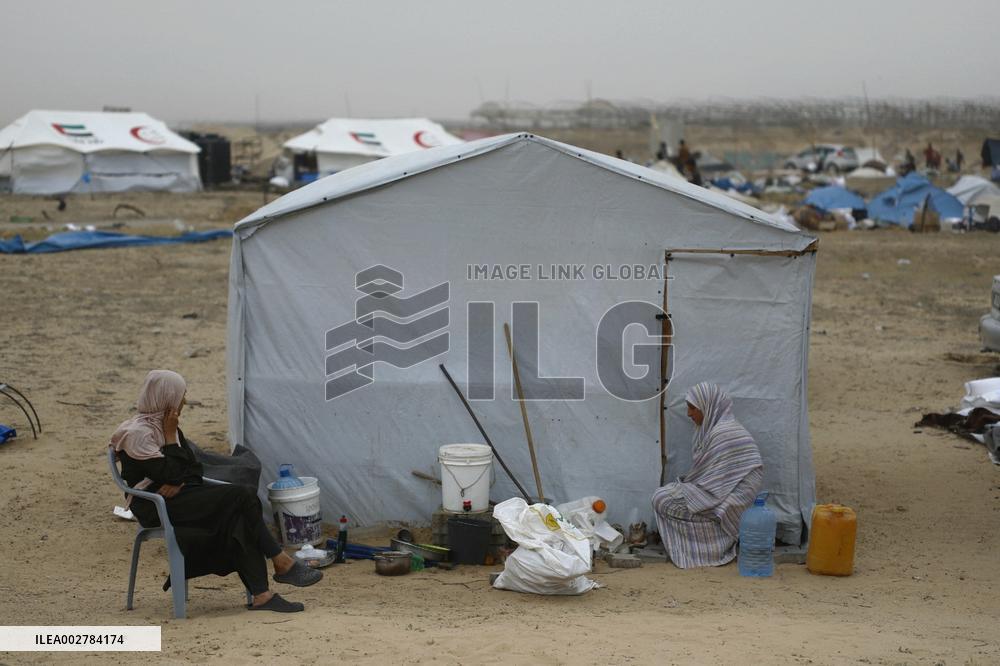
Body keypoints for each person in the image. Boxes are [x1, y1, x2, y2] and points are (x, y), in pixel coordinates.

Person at [110, 370, 320, 613]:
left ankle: (263, 595)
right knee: (242, 495)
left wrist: (178, 479)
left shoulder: (167, 428)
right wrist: (170, 443)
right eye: (180, 396)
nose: (184, 402)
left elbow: (193, 469)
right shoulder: (139, 435)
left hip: (180, 496)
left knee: (240, 517)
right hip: (155, 506)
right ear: (165, 399)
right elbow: (173, 472)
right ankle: (280, 561)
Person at [651, 383, 763, 568]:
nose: (688, 414)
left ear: (708, 406)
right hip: (719, 492)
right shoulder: (710, 431)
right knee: (667, 494)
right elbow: (709, 477)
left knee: (661, 499)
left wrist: (685, 488)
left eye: (693, 408)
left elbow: (713, 485)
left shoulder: (724, 433)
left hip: (733, 498)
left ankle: (715, 547)